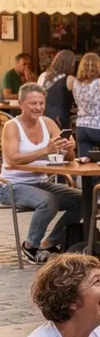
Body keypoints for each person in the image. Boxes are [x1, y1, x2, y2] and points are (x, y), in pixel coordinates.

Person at [0, 83, 82, 263]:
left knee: (83, 200)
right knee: (48, 201)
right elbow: (12, 159)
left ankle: (49, 242)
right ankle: (30, 246)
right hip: (11, 185)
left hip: (41, 181)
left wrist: (69, 148)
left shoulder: (48, 123)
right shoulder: (12, 127)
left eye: (41, 103)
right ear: (21, 104)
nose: (38, 107)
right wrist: (45, 150)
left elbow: (68, 158)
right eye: (33, 103)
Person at [43, 50, 77, 130]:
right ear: (70, 64)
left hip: (46, 114)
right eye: (74, 63)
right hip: (60, 116)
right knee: (62, 140)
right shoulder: (69, 79)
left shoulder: (47, 77)